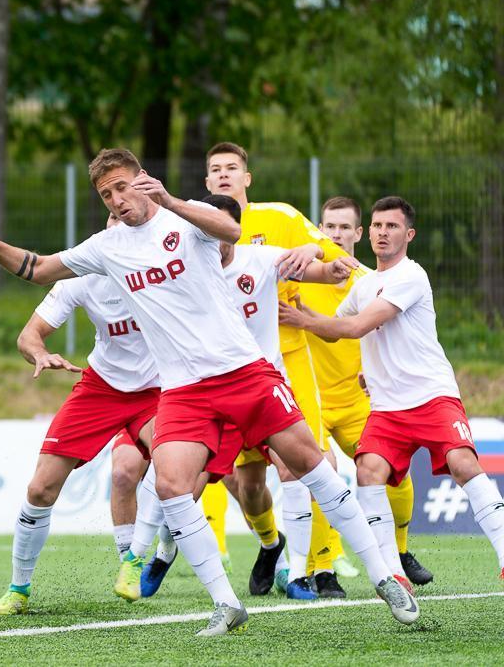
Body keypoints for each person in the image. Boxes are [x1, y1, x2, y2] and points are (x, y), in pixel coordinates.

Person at [0, 148, 417, 636]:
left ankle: (384, 577)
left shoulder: (186, 216)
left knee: (308, 465)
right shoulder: (105, 247)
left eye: (122, 187)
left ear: (142, 180)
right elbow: (41, 268)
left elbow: (231, 230)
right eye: (106, 194)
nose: (116, 200)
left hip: (242, 371)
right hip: (182, 388)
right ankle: (225, 603)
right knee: (171, 486)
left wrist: (170, 201)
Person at [281, 196, 504, 582]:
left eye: (392, 226)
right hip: (387, 407)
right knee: (368, 471)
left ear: (409, 234)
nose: (383, 233)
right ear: (368, 233)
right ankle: (393, 573)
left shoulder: (411, 276)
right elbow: (334, 329)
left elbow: (355, 328)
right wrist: (302, 311)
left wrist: (303, 321)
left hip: (431, 396)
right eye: (378, 226)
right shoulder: (364, 286)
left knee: (463, 463)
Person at [0, 214, 166, 615]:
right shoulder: (82, 271)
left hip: (160, 387)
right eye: (112, 214)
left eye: (128, 215)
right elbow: (29, 335)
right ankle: (18, 589)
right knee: (40, 489)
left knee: (174, 474)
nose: (120, 221)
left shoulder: (164, 266)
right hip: (101, 387)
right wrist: (39, 353)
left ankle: (142, 558)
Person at [203, 142, 355, 590]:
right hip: (230, 367)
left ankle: (317, 568)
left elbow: (333, 260)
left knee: (311, 462)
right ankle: (271, 544)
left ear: (247, 177)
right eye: (216, 169)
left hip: (286, 358)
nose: (225, 174)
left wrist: (316, 253)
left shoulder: (280, 218)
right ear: (207, 181)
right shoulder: (194, 227)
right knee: (247, 484)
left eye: (233, 167)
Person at [297, 196, 433, 588]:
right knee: (321, 473)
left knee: (395, 473)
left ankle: (401, 550)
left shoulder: (373, 282)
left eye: (345, 227)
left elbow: (377, 335)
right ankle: (322, 568)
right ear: (319, 231)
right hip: (312, 399)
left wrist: (371, 371)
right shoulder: (301, 278)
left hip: (358, 399)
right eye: (329, 227)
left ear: (359, 233)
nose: (336, 234)